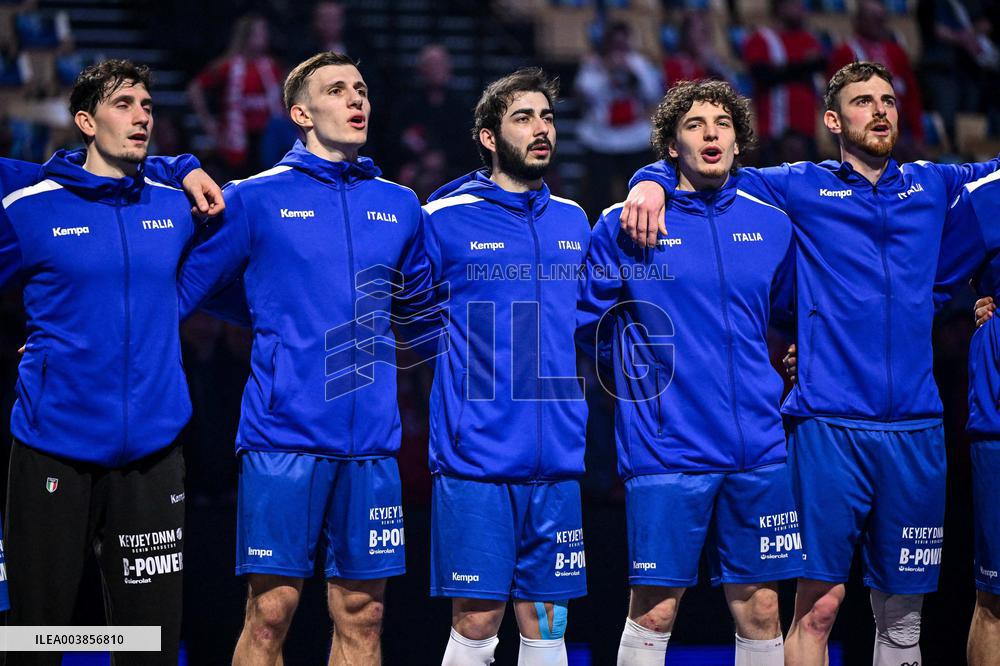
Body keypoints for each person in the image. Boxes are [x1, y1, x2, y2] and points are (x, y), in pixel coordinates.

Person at [620, 61, 1000, 665]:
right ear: (832, 120)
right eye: (861, 102)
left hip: (918, 428)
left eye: (887, 100)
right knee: (817, 608)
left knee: (903, 618)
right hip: (825, 425)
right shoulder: (795, 186)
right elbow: (707, 166)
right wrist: (650, 180)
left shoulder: (936, 183)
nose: (879, 110)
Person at [176, 51, 437, 665]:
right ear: (300, 113)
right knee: (270, 615)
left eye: (363, 89)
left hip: (372, 445)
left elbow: (425, 311)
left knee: (365, 616)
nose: (357, 100)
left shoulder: (399, 204)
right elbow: (183, 289)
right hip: (282, 440)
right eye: (339, 89)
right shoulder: (255, 199)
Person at [0, 59, 219, 665]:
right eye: (124, 104)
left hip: (153, 453)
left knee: (147, 643)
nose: (141, 116)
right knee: (37, 638)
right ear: (85, 121)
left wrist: (186, 163)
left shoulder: (176, 204)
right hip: (54, 446)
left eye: (148, 105)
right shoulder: (28, 207)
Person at [578, 79, 798, 666]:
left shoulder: (771, 223)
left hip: (758, 444)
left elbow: (793, 311)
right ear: (670, 145)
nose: (711, 134)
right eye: (695, 125)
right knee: (654, 609)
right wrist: (636, 382)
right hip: (666, 447)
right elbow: (588, 324)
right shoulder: (626, 223)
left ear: (738, 139)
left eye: (722, 124)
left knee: (762, 608)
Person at [421, 68, 590, 666]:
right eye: (524, 118)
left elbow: (595, 320)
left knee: (549, 623)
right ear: (489, 136)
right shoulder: (442, 217)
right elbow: (400, 312)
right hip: (478, 460)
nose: (541, 129)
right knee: (477, 621)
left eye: (547, 117)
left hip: (558, 461)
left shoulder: (574, 220)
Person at [574, 20, 662, 220]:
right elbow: (584, 94)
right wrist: (606, 72)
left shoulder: (639, 63)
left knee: (640, 191)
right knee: (598, 196)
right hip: (600, 139)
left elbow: (653, 93)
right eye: (615, 44)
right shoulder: (593, 64)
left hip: (635, 139)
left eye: (623, 43)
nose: (619, 48)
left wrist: (631, 75)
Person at [187, 13, 284, 175]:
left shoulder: (272, 67)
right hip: (236, 141)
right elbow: (195, 89)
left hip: (266, 140)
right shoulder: (227, 66)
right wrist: (208, 122)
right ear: (247, 36)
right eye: (260, 32)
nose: (265, 37)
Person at [827, 0, 924, 149]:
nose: (878, 23)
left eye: (881, 18)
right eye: (872, 18)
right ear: (859, 20)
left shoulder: (896, 52)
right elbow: (835, 99)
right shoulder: (845, 53)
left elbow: (911, 95)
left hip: (898, 132)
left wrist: (918, 134)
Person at [743, 0, 824, 153]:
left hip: (808, 129)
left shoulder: (810, 39)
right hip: (775, 131)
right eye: (795, 4)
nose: (801, 8)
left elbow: (820, 65)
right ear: (780, 6)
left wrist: (788, 69)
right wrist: (803, 67)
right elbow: (762, 75)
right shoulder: (762, 38)